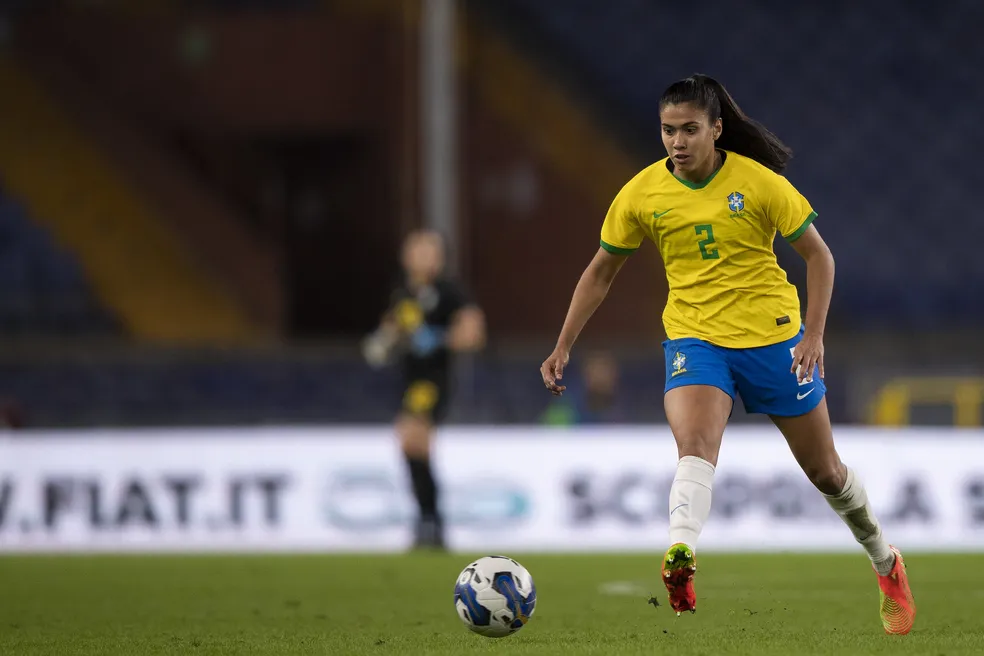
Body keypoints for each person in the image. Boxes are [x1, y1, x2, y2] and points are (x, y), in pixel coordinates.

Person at [539, 74, 915, 634]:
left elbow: (820, 258)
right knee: (695, 442)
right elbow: (601, 272)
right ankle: (680, 553)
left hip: (776, 342)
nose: (677, 141)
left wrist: (812, 336)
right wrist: (563, 344)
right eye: (668, 130)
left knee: (826, 472)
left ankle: (887, 564)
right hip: (696, 340)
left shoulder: (758, 183)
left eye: (690, 129)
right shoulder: (641, 193)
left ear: (716, 130)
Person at [363, 230, 486, 550]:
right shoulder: (403, 293)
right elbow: (392, 329)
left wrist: (440, 339)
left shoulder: (449, 291)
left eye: (428, 250)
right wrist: (384, 342)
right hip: (409, 381)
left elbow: (473, 333)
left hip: (433, 380)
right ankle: (429, 520)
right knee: (411, 445)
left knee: (412, 436)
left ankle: (430, 521)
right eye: (416, 250)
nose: (422, 256)